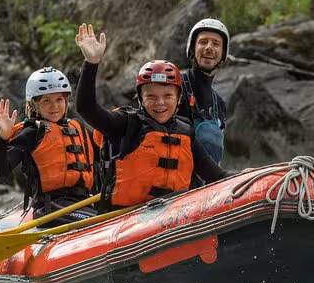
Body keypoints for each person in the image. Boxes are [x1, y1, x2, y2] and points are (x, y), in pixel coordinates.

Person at [74, 24, 231, 211]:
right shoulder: (127, 124)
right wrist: (91, 63)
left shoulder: (186, 132)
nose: (160, 103)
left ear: (179, 99)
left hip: (171, 215)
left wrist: (253, 177)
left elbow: (217, 175)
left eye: (167, 96)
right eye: (151, 97)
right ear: (140, 98)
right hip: (125, 220)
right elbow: (86, 108)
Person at [0, 67, 99, 226]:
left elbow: (106, 157)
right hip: (51, 209)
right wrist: (3, 137)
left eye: (59, 100)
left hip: (84, 204)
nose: (54, 106)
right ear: (34, 105)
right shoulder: (32, 133)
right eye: (46, 100)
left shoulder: (78, 128)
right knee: (97, 220)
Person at [178, 18, 229, 165]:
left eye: (216, 44)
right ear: (192, 48)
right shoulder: (175, 87)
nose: (209, 48)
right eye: (203, 42)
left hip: (209, 184)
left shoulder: (219, 103)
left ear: (223, 52)